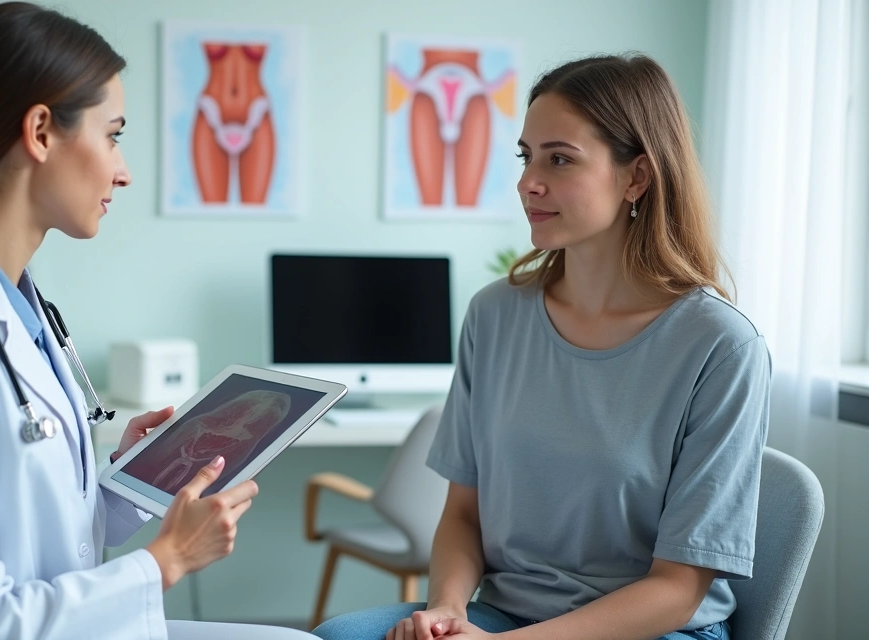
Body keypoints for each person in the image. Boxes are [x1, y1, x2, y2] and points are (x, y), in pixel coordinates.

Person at [0, 4, 315, 638]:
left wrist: (130, 483)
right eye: (113, 134)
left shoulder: (18, 308)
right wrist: (167, 562)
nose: (122, 172)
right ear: (41, 132)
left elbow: (39, 535)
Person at [313, 53, 769, 640]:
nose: (529, 182)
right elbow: (462, 513)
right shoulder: (494, 315)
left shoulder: (721, 347)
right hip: (501, 615)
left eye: (560, 159)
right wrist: (449, 609)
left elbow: (678, 591)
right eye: (527, 157)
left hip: (650, 629)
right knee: (337, 636)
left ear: (637, 177)